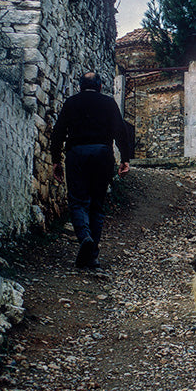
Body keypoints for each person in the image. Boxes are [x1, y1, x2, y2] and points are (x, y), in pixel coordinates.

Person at [50, 72, 132, 269]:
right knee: (97, 204)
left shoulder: (71, 102)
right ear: (100, 87)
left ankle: (84, 236)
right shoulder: (109, 103)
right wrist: (125, 159)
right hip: (102, 154)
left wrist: (56, 161)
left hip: (76, 154)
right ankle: (93, 255)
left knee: (78, 201)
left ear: (80, 86)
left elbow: (58, 132)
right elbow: (120, 130)